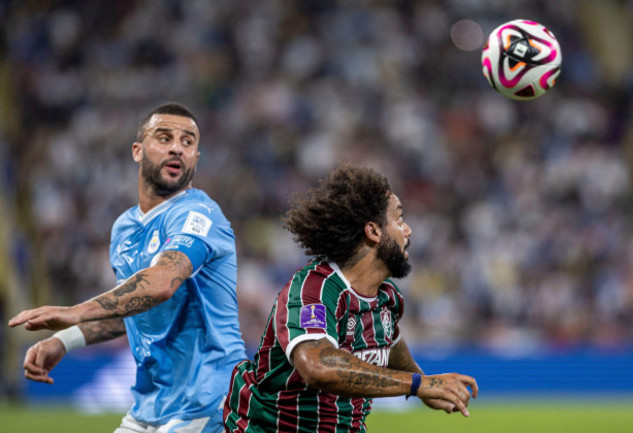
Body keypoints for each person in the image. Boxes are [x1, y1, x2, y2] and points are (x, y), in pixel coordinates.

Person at [9, 102, 247, 433]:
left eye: (188, 141)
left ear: (196, 158)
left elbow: (161, 283)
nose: (177, 147)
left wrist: (77, 311)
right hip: (150, 406)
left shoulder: (199, 215)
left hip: (209, 401)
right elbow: (134, 309)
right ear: (137, 151)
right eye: (164, 138)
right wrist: (65, 341)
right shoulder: (125, 228)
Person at [223, 164, 479, 433]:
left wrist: (425, 383)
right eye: (400, 219)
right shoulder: (314, 289)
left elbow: (389, 340)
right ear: (374, 231)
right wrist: (416, 384)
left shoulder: (387, 297)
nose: (408, 230)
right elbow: (317, 366)